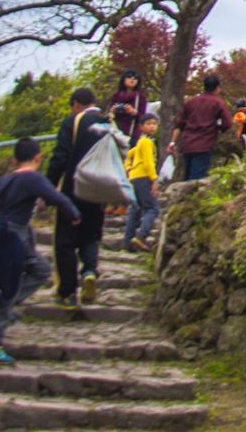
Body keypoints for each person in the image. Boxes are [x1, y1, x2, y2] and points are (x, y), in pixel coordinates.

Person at [0, 137, 79, 365]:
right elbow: (56, 196)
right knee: (8, 290)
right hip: (12, 237)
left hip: (14, 234)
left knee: (42, 270)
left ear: (14, 160)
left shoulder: (5, 180)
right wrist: (74, 214)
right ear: (38, 158)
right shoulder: (32, 178)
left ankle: (5, 308)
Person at [46, 87, 114, 310]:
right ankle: (89, 271)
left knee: (65, 241)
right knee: (91, 236)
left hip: (72, 189)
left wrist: (48, 187)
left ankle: (66, 292)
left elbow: (60, 157)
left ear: (75, 104)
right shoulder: (107, 124)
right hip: (98, 189)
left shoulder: (73, 122)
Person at [170, 74, 230, 182]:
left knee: (187, 175)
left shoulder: (191, 102)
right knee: (196, 180)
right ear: (217, 88)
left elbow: (179, 124)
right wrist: (218, 127)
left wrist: (172, 142)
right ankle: (190, 198)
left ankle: (182, 196)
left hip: (187, 144)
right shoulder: (218, 103)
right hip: (204, 144)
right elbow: (227, 123)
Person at [122, 113, 161, 252]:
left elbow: (130, 154)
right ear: (141, 127)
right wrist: (154, 179)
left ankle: (127, 243)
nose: (152, 126)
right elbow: (148, 163)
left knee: (135, 210)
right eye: (148, 124)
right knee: (152, 209)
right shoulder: (147, 142)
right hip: (144, 177)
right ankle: (141, 236)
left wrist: (128, 169)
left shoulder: (140, 142)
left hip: (134, 178)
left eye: (154, 124)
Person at [109, 69, 148, 140]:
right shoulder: (116, 95)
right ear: (123, 79)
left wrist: (133, 112)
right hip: (117, 131)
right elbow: (110, 115)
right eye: (129, 76)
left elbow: (143, 117)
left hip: (133, 133)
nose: (132, 79)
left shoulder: (140, 96)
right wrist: (113, 111)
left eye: (136, 78)